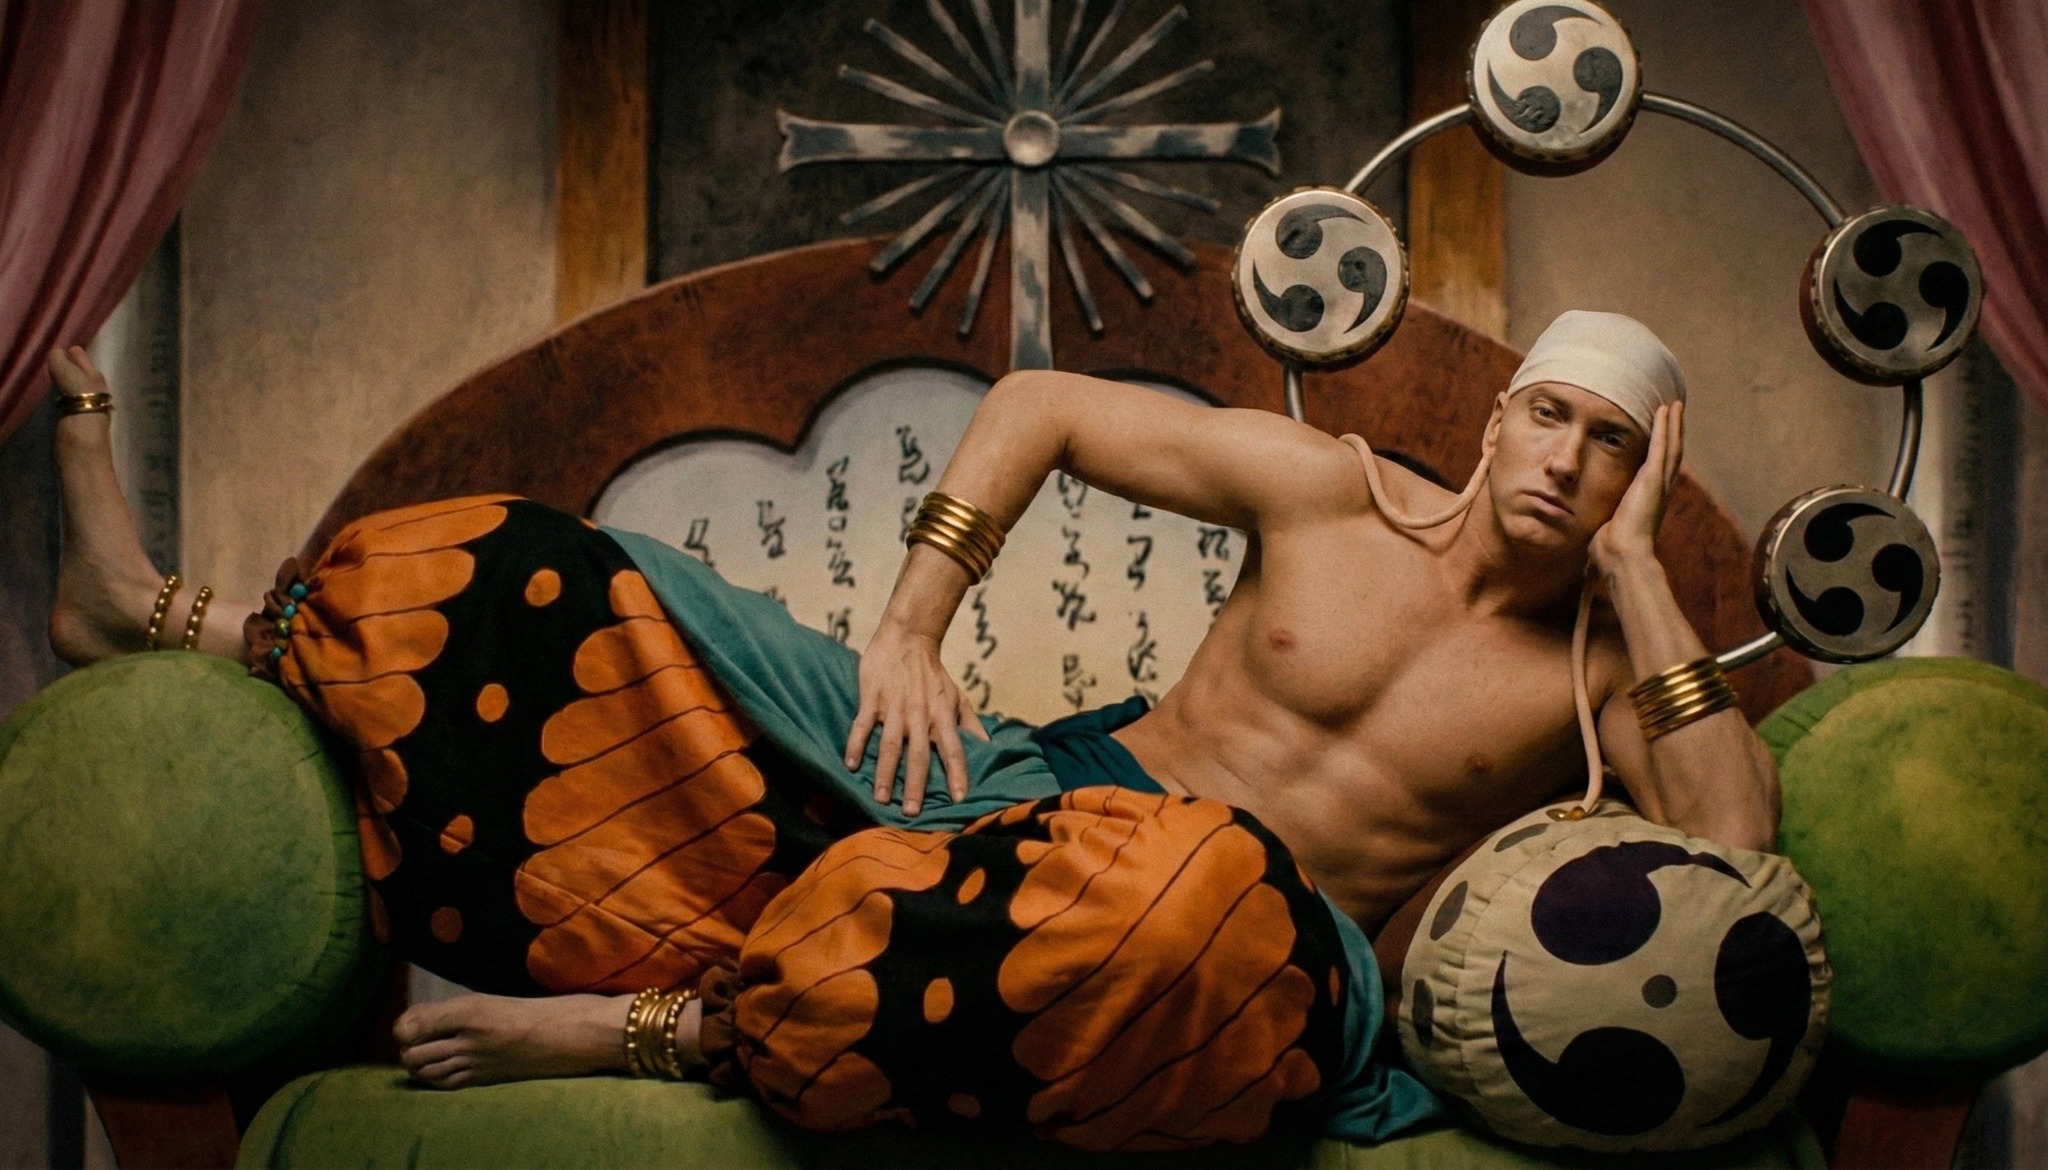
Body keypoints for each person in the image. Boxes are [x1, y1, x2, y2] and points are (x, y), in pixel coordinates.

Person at [41, 310, 1777, 1108]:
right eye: (1552, 415)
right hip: (1030, 798)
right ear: (1497, 414)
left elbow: (1737, 860)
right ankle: (168, 615)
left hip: (1236, 946)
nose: (1568, 459)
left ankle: (682, 1031)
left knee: (1190, 892)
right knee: (541, 572)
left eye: (1612, 447)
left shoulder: (1606, 672)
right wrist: (911, 629)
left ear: (1635, 477)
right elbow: (1043, 402)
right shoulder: (1332, 488)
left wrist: (1640, 571)